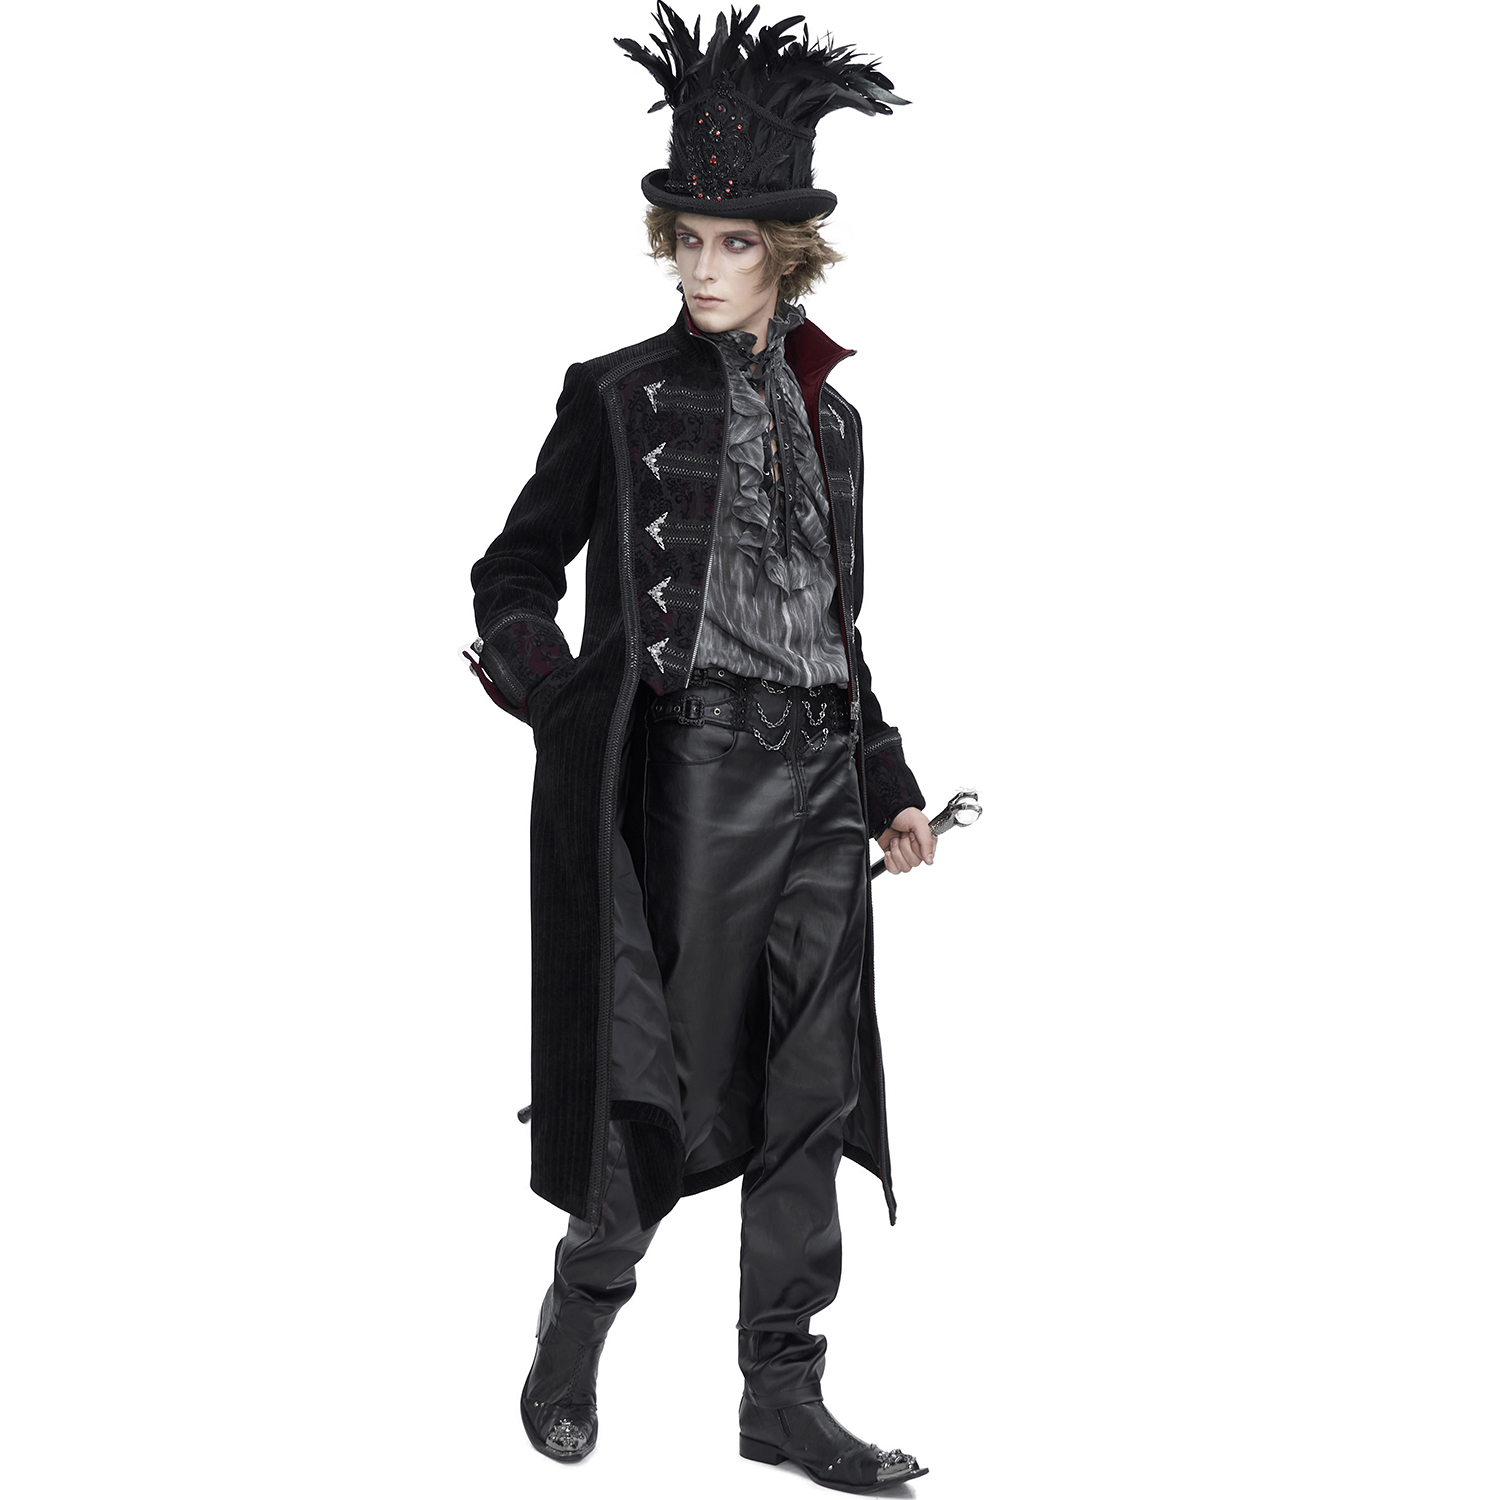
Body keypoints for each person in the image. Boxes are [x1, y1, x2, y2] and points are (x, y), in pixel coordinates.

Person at [467, 6, 932, 1489]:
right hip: (697, 780)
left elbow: (835, 625)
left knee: (814, 1091)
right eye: (687, 240)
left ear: (789, 255)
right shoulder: (616, 394)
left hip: (819, 785)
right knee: (655, 1086)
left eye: (734, 244)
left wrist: (891, 786)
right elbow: (511, 578)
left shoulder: (837, 424)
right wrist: (566, 707)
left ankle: (780, 1394)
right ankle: (582, 1309)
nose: (704, 267)